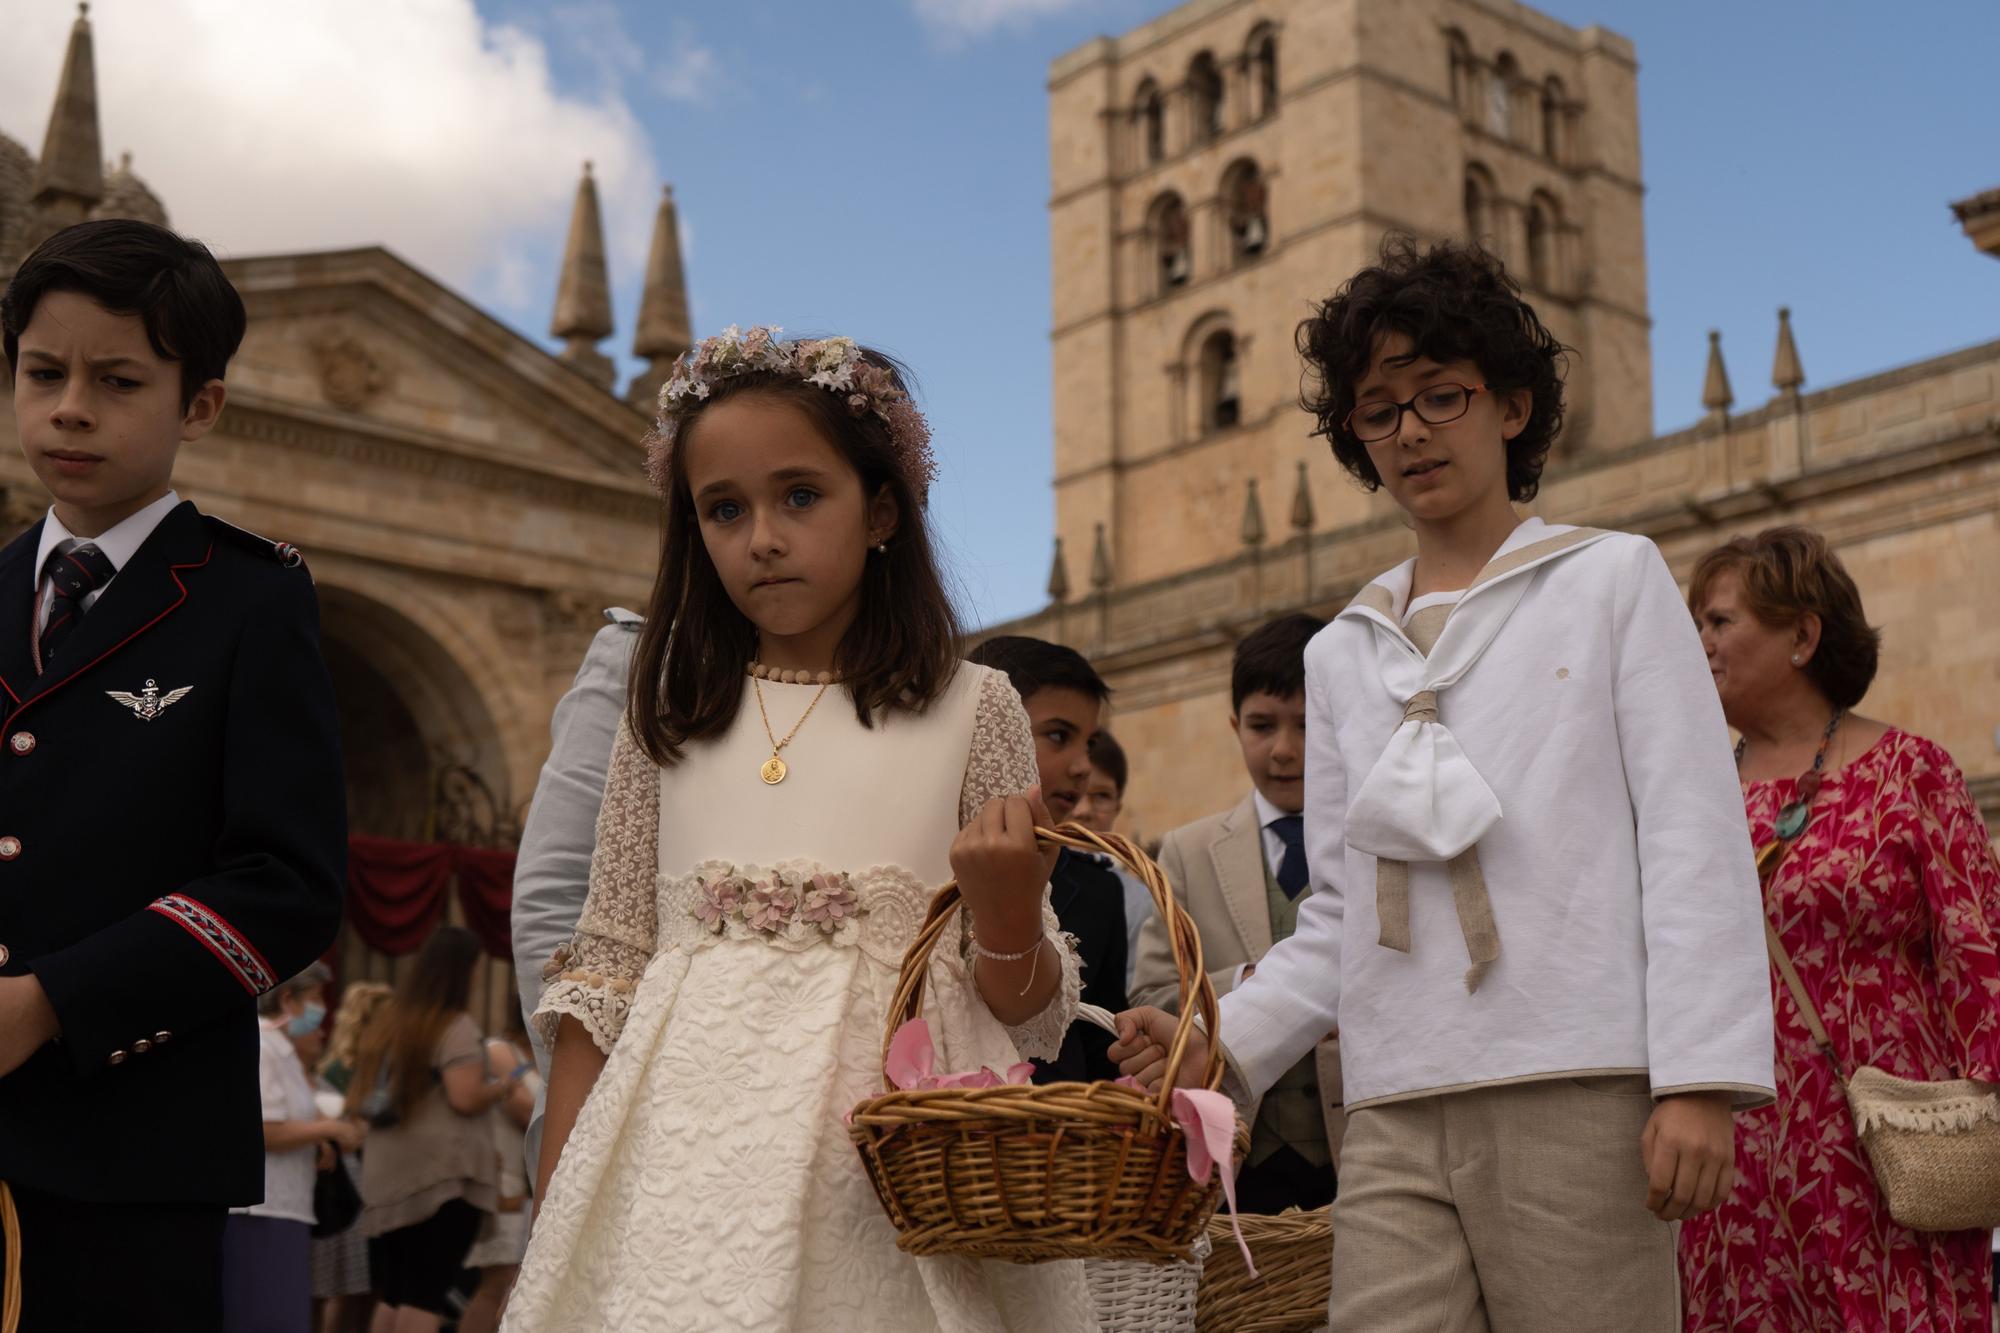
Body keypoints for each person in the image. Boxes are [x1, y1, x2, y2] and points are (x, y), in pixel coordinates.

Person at [1112, 237, 1775, 1331]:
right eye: (1377, 410)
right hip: (1392, 1099)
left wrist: (1697, 1081)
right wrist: (1219, 1037)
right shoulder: (1338, 652)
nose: (1410, 428)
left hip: (1575, 1078)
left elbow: (1689, 838)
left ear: (1509, 408)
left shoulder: (1608, 579)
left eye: (1439, 394)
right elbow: (1335, 912)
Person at [505, 327, 1092, 1330]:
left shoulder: (975, 705)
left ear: (878, 512)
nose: (761, 536)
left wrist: (1005, 915)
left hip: (882, 1168)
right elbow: (602, 972)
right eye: (723, 509)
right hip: (677, 1165)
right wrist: (558, 1215)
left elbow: (1027, 1018)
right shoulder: (667, 707)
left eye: (798, 496)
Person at [0, 218, 347, 1331]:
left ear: (201, 404)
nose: (70, 407)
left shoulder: (251, 601)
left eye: (118, 380)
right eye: (43, 372)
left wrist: (52, 1001)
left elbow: (284, 879)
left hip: (129, 1150)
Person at [1679, 526, 2000, 1332]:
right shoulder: (1688, 794)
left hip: (1888, 1145)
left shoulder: (1911, 770)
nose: (1699, 643)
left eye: (1719, 622)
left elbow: (1979, 954)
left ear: (1802, 635)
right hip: (1737, 1163)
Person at [1129, 612, 1340, 1215]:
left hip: (1363, 1148)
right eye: (1262, 726)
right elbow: (1151, 991)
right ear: (1233, 725)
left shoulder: (1374, 842)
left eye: (1307, 726)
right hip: (1241, 1158)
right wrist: (1249, 985)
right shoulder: (1190, 852)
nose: (1284, 749)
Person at [508, 605, 641, 1178]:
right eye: (727, 510)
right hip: (646, 1099)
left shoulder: (947, 696)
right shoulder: (642, 658)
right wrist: (586, 1101)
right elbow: (554, 895)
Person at [966, 634, 1129, 1083]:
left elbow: (1104, 1046)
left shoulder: (1099, 890)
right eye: (1059, 736)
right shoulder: (914, 864)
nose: (1082, 766)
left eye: (1090, 744)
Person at [350, 927, 520, 1333]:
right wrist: (501, 1088)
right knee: (426, 1291)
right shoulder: (454, 1025)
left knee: (395, 1291)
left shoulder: (390, 1023)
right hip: (439, 1177)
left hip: (387, 1171)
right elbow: (464, 1097)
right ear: (463, 971)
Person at [225, 964, 364, 1333]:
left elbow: (292, 1119)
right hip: (261, 1207)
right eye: (315, 998)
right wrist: (329, 1127)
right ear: (287, 999)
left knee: (282, 1317)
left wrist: (316, 1138)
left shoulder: (282, 1050)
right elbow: (263, 1128)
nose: (322, 1008)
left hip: (286, 1204)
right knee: (265, 1318)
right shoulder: (264, 1046)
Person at [314, 982, 393, 1333]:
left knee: (373, 1285)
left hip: (381, 1178)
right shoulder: (340, 1069)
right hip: (353, 1177)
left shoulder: (387, 1064)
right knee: (347, 1287)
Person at [457, 1015, 538, 1333]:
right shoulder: (501, 1050)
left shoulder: (544, 1055)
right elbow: (524, 1112)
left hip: (526, 1183)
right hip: (504, 1180)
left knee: (510, 1281)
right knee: (498, 1281)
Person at [1073, 729, 1153, 987]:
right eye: (1074, 794)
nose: (1084, 810)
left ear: (1118, 807)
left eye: (1101, 796)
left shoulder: (1137, 901)